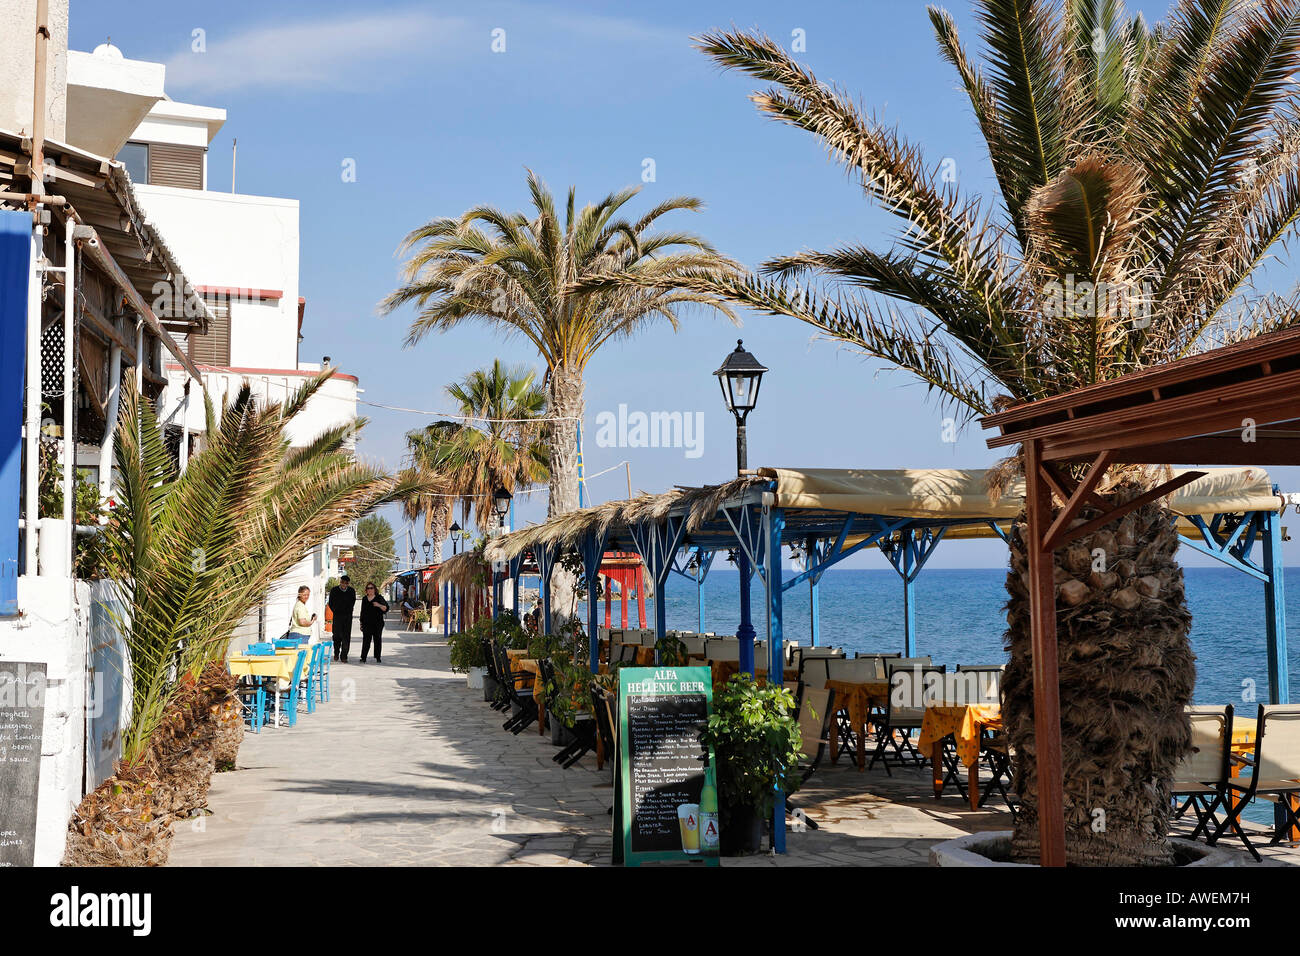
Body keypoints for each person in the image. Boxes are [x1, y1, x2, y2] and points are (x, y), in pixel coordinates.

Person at [327, 575, 357, 663]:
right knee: (336, 635)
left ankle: (344, 655)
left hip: (347, 616)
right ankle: (336, 652)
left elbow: (353, 602)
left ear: (348, 583)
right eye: (342, 582)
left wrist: (348, 610)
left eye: (346, 583)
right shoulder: (334, 590)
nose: (344, 584)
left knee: (346, 636)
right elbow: (331, 603)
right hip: (337, 616)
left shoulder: (351, 591)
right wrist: (336, 611)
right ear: (340, 582)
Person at [359, 582, 390, 664]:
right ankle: (363, 657)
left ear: (374, 589)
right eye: (368, 588)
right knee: (366, 641)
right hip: (366, 623)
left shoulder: (379, 598)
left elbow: (386, 608)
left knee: (377, 640)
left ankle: (378, 657)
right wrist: (361, 623)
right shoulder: (364, 599)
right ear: (366, 590)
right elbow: (362, 612)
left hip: (378, 623)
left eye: (371, 588)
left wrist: (378, 605)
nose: (370, 590)